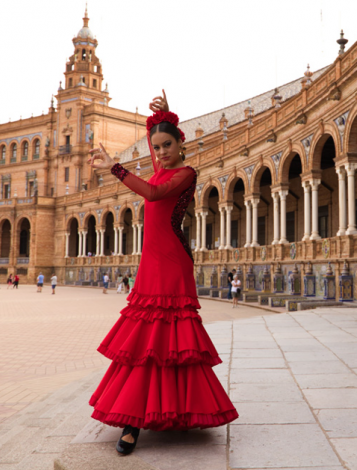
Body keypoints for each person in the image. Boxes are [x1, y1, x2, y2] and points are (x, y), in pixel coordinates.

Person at [87, 90, 237, 455]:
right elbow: (154, 172)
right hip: (150, 263)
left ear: (180, 143)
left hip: (172, 262)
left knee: (170, 342)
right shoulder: (160, 170)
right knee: (144, 344)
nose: (162, 152)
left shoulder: (186, 174)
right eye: (156, 147)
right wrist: (156, 118)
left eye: (167, 144)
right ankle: (133, 417)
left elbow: (154, 196)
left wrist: (115, 169)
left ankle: (156, 416)